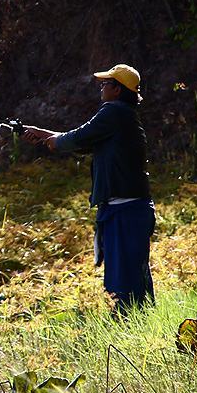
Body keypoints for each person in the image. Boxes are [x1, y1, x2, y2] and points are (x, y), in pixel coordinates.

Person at [22, 64, 155, 313]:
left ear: (117, 90)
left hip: (125, 211)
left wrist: (56, 141)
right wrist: (43, 135)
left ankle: (128, 328)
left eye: (105, 84)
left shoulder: (113, 112)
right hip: (129, 210)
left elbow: (78, 137)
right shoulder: (122, 116)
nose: (101, 88)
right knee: (134, 278)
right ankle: (139, 324)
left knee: (123, 282)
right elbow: (83, 139)